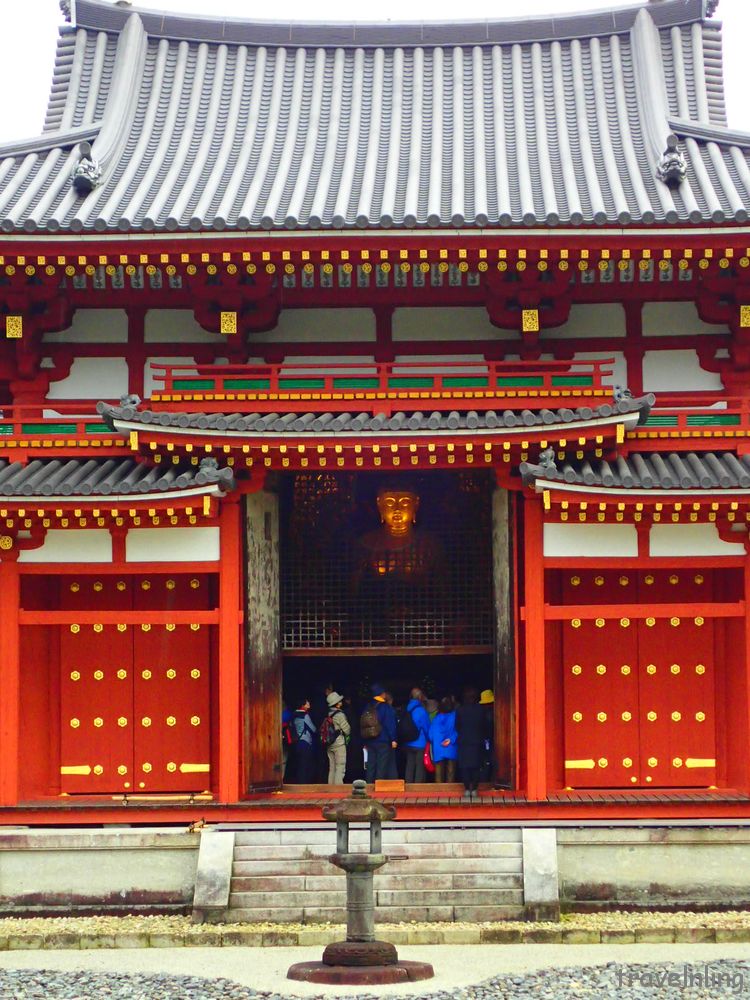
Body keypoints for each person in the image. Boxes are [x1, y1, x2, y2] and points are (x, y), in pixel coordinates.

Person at [361, 682, 397, 783]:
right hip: (383, 740)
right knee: (382, 765)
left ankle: (368, 785)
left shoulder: (367, 707)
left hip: (370, 740)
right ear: (382, 694)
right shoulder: (386, 708)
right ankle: (379, 785)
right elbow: (390, 725)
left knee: (371, 764)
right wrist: (393, 739)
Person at [456, 687, 486, 799]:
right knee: (476, 766)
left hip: (464, 741)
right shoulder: (480, 710)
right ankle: (474, 789)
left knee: (465, 767)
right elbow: (484, 725)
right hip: (477, 741)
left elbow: (457, 726)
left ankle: (467, 789)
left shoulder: (460, 710)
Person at [402, 687, 431, 783]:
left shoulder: (406, 708)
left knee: (409, 764)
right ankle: (417, 786)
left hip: (408, 741)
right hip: (420, 742)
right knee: (419, 765)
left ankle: (408, 784)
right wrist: (429, 739)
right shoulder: (421, 710)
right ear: (420, 697)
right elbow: (426, 727)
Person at [429, 696, 458, 784]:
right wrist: (451, 740)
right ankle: (450, 791)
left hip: (438, 747)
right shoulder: (455, 716)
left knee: (438, 772)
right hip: (451, 746)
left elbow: (430, 735)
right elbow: (459, 730)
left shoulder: (436, 719)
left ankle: (439, 792)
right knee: (451, 771)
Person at [324, 691, 351, 784]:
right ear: (337, 704)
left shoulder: (328, 714)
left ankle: (330, 787)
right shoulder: (340, 715)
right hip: (338, 743)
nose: (341, 702)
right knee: (340, 766)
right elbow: (346, 729)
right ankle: (338, 788)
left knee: (332, 767)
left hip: (329, 742)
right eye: (339, 701)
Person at [290, 697, 316, 783]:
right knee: (305, 764)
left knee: (299, 764)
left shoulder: (293, 715)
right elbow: (313, 729)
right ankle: (304, 783)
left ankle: (299, 782)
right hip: (305, 742)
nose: (309, 705)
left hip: (296, 741)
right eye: (307, 703)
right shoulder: (305, 715)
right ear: (302, 706)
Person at [479, 689, 496, 786]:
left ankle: (485, 781)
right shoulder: (491, 714)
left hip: (487, 741)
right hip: (489, 741)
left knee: (487, 761)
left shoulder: (485, 714)